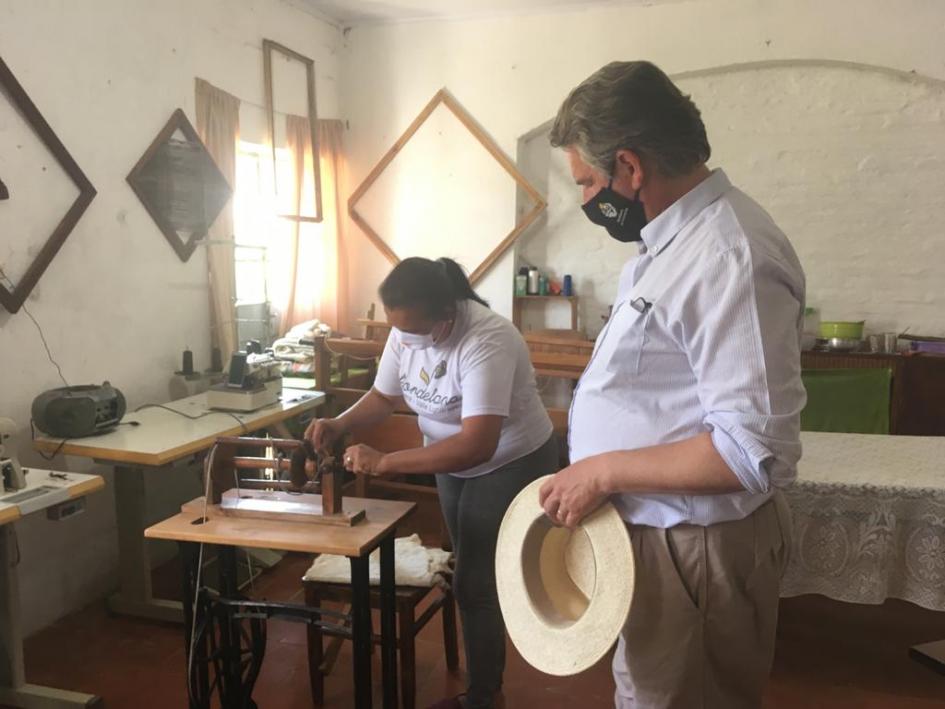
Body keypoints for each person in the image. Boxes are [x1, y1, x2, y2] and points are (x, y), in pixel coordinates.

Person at [539, 61, 806, 708]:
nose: (584, 201)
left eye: (587, 181)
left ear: (629, 168)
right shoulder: (673, 243)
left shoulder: (726, 256)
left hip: (695, 551)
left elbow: (750, 451)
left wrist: (600, 471)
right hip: (661, 539)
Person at [307, 256, 556, 709]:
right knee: (465, 565)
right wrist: (340, 423)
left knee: (476, 582)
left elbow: (479, 444)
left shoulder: (487, 339)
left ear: (446, 316)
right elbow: (384, 396)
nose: (403, 339)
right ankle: (483, 679)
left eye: (412, 330)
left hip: (509, 459)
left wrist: (387, 462)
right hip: (450, 458)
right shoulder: (408, 330)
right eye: (396, 328)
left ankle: (484, 697)